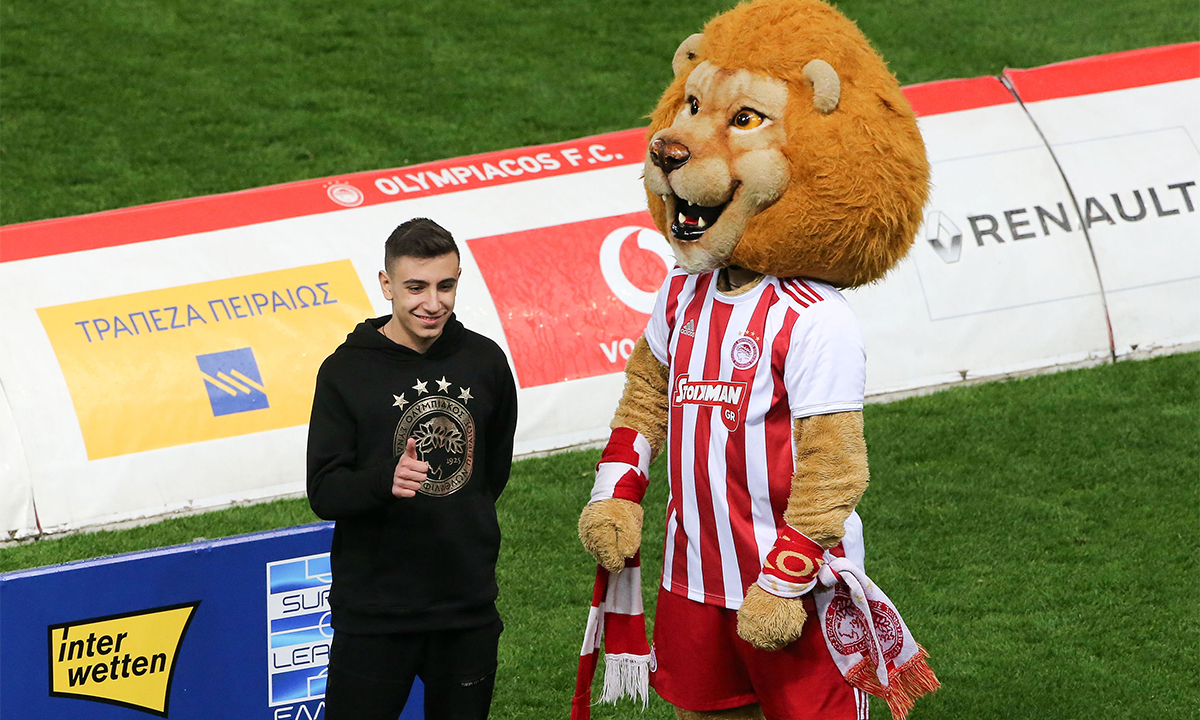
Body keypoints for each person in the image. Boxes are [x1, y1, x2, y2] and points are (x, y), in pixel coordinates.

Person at [307, 217, 518, 720]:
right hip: (376, 613)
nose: (433, 303)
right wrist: (385, 480)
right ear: (387, 285)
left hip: (465, 607)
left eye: (446, 286)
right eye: (416, 287)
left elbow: (491, 473)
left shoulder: (485, 362)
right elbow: (324, 491)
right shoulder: (345, 372)